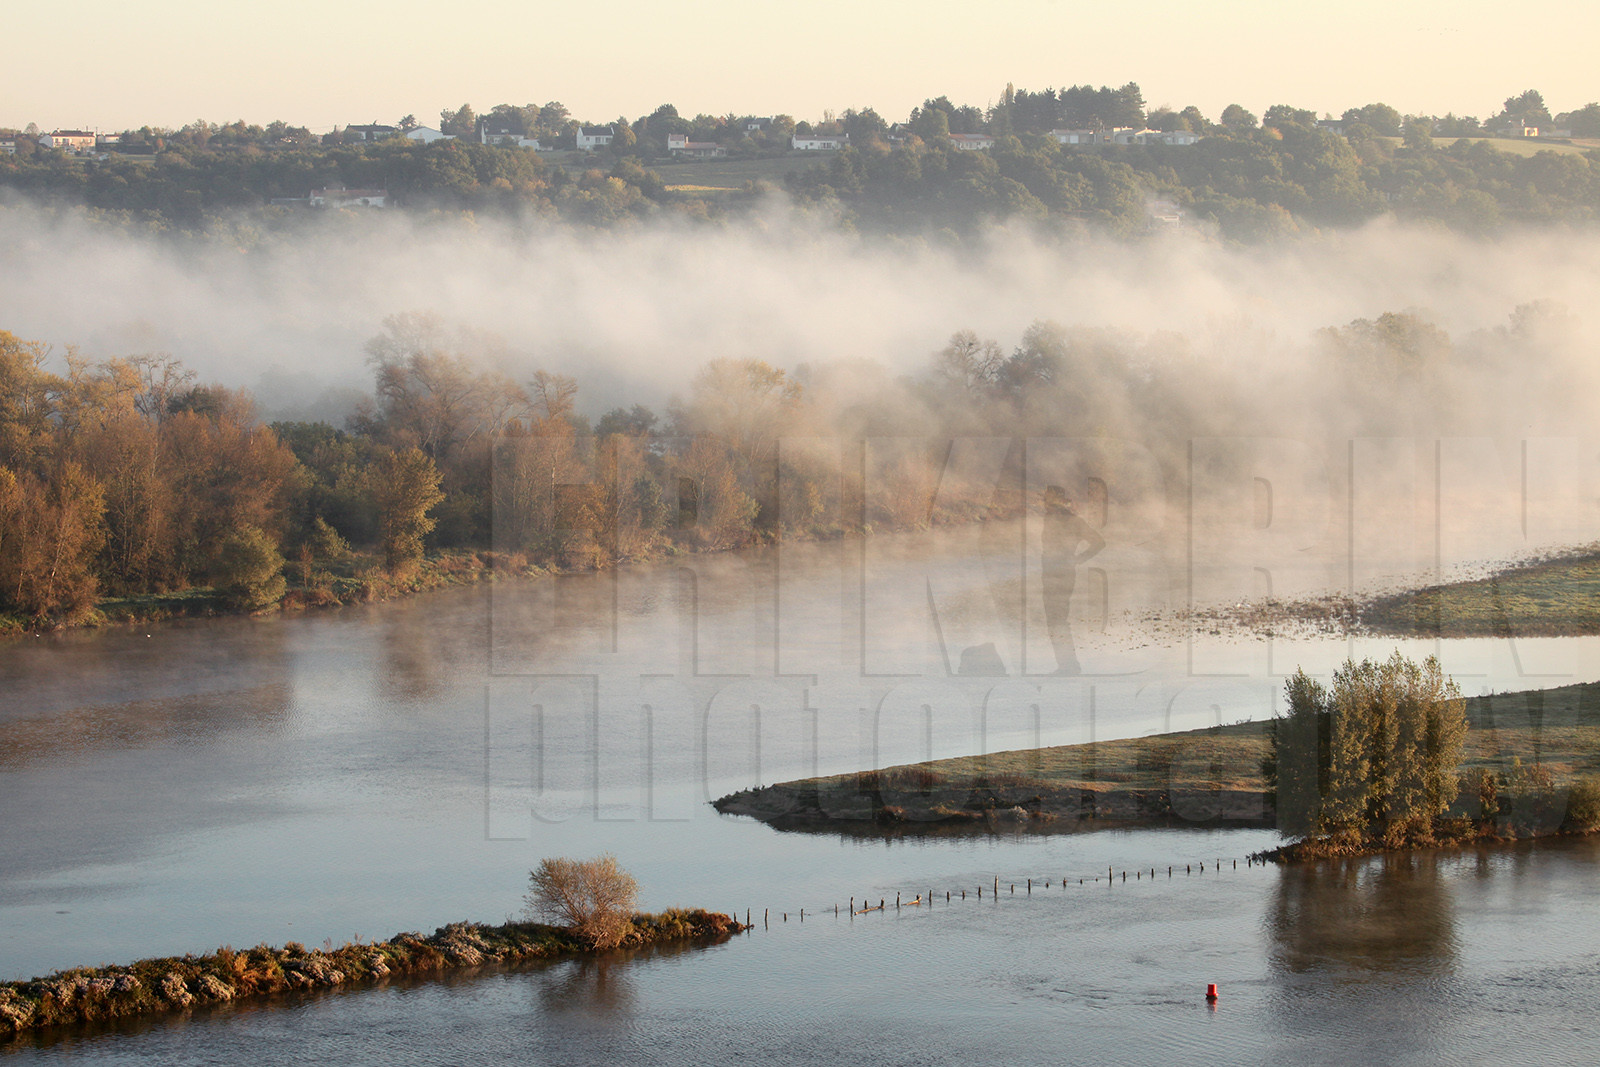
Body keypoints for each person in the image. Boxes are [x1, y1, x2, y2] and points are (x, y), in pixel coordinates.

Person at [1040, 485, 1104, 675]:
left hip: (1061, 572)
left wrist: (1078, 559)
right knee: (1055, 619)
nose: (1045, 504)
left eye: (1048, 500)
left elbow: (1099, 542)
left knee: (1057, 619)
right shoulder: (1052, 518)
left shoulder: (1071, 521)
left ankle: (1068, 665)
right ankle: (1066, 664)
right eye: (1045, 499)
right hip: (1053, 571)